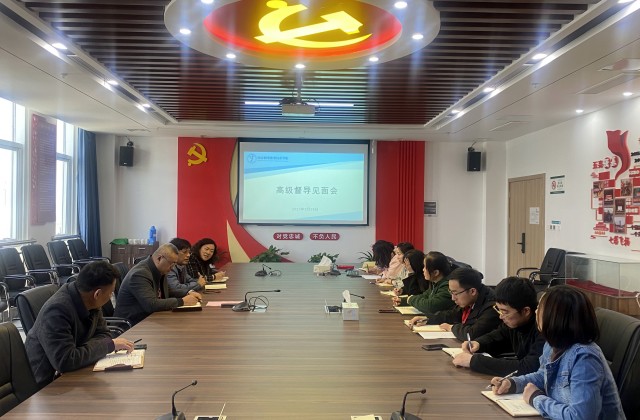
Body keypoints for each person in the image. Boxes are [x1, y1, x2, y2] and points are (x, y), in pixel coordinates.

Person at [491, 285, 625, 419]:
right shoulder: (552, 344)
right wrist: (513, 383)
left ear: (555, 317)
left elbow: (581, 417)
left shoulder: (584, 358)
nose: (536, 312)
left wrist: (536, 398)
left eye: (540, 308)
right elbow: (543, 375)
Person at [25, 261, 135, 387]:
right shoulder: (57, 311)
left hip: (76, 370)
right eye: (110, 293)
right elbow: (65, 361)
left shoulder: (90, 301)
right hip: (47, 384)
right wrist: (107, 345)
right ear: (97, 294)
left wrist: (82, 352)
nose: (110, 297)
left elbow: (104, 334)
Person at [452, 276, 545, 376]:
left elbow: (529, 367)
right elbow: (498, 335)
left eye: (505, 312)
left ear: (526, 311)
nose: (501, 316)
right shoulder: (515, 322)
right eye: (498, 309)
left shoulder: (543, 328)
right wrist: (479, 344)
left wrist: (473, 361)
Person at [115, 243, 201, 326]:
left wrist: (188, 293)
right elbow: (151, 305)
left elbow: (168, 291)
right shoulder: (140, 274)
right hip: (132, 325)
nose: (172, 267)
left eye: (175, 264)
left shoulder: (160, 269)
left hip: (149, 319)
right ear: (159, 258)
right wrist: (182, 301)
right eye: (171, 263)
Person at [409, 267, 500, 341]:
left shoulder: (493, 306)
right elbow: (452, 314)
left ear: (472, 291)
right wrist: (428, 319)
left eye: (455, 293)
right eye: (451, 292)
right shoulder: (470, 299)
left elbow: (472, 334)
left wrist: (451, 328)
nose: (453, 298)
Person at [393, 251, 454, 315]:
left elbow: (430, 306)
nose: (423, 269)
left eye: (425, 267)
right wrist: (404, 300)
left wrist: (410, 299)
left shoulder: (448, 286)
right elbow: (425, 295)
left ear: (436, 272)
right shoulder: (434, 283)